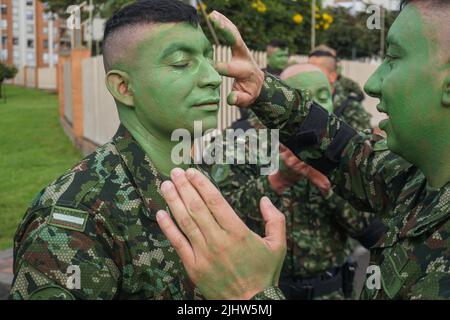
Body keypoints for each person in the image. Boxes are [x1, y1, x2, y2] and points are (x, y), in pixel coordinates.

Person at [162, 0, 450, 300]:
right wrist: (263, 91)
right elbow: (349, 153)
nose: (372, 84)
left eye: (392, 58)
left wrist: (250, 296)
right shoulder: (420, 175)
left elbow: (367, 230)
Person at [9, 0, 279, 300]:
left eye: (208, 58)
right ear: (124, 87)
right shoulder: (73, 222)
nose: (214, 78)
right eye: (181, 63)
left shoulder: (194, 179)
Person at [212, 64, 385, 299]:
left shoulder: (345, 151)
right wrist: (278, 180)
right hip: (264, 292)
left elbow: (371, 231)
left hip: (331, 289)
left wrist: (326, 182)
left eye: (323, 96)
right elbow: (224, 218)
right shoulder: (241, 143)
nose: (315, 110)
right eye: (304, 100)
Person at [308, 45, 372, 131]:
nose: (307, 74)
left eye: (315, 71)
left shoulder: (350, 108)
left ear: (333, 76)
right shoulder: (304, 101)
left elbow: (364, 140)